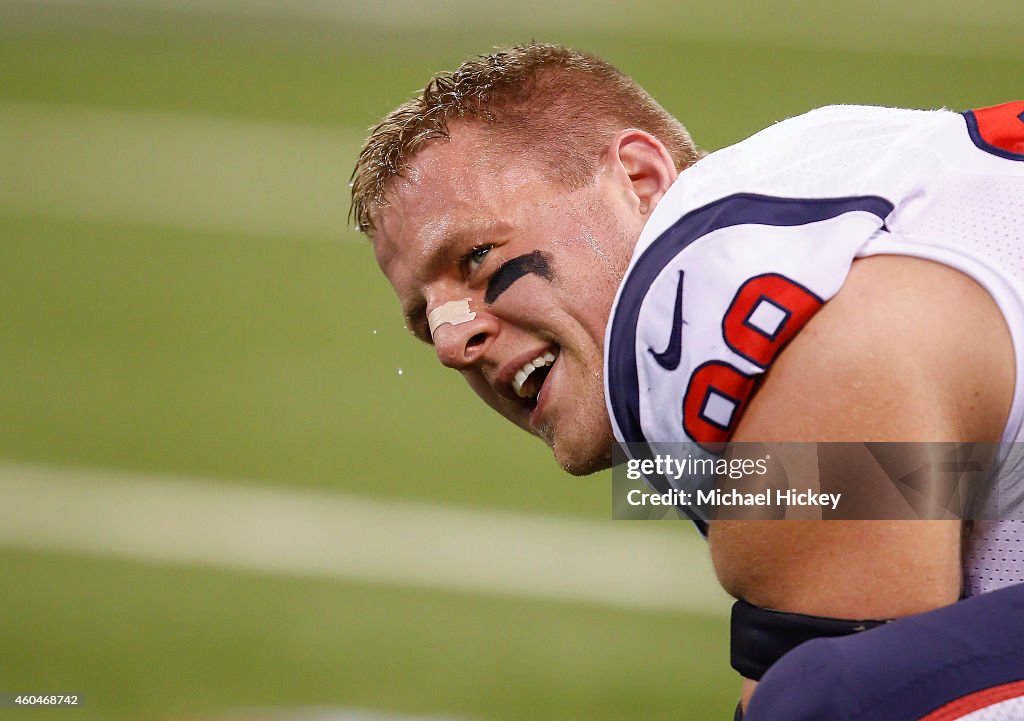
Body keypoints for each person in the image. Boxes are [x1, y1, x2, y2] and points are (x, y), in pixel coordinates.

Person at [351, 43, 1024, 716]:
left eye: (475, 256)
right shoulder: (826, 189)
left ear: (640, 179)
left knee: (823, 695)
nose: (450, 340)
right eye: (424, 318)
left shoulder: (716, 303)